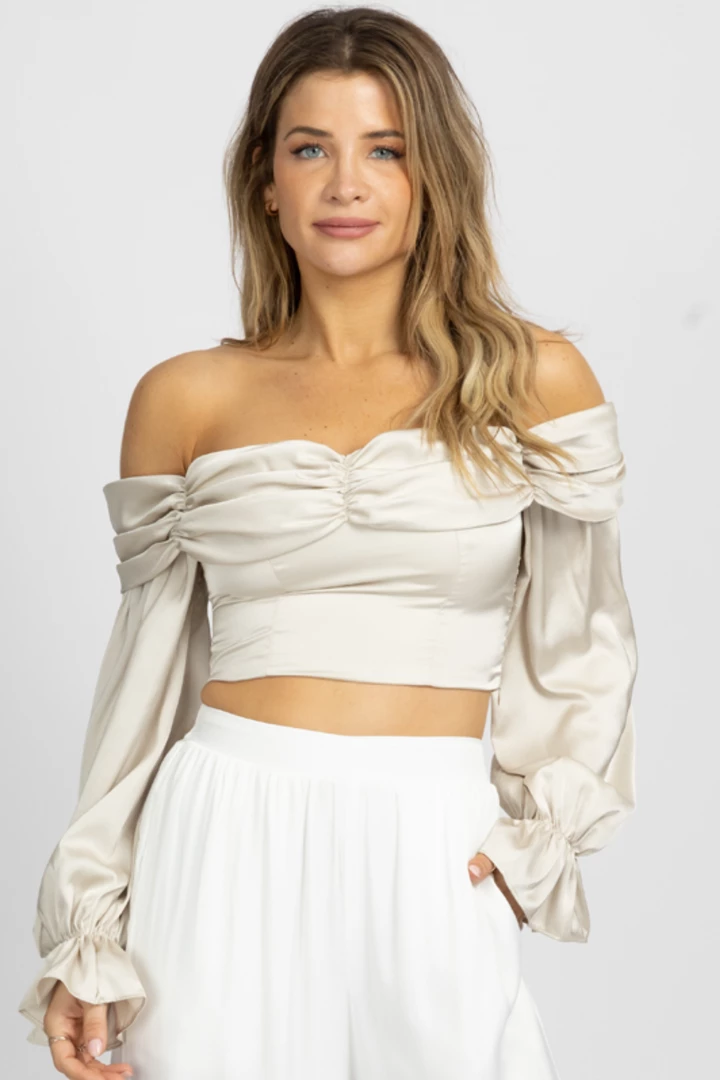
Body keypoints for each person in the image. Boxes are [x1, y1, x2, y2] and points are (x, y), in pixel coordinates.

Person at [18, 7, 638, 1079]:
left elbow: (584, 641)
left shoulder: (533, 382)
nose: (346, 184)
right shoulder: (186, 399)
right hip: (220, 830)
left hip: (435, 835)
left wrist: (534, 835)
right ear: (266, 180)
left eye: (385, 150)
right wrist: (92, 931)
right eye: (311, 149)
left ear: (433, 174)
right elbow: (142, 687)